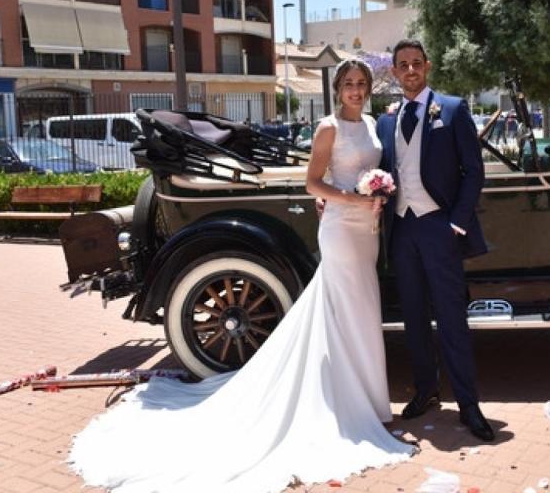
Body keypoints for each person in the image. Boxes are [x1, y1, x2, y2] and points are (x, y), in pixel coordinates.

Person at [67, 59, 414, 493]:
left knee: (364, 311)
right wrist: (350, 198)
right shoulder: (328, 128)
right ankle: (355, 405)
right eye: (349, 84)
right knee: (347, 310)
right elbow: (313, 183)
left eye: (362, 83)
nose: (356, 90)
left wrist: (376, 193)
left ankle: (371, 400)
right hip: (343, 228)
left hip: (368, 229)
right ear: (338, 88)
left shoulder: (370, 123)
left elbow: (374, 170)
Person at [375, 38, 494, 442]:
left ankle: (469, 404)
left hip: (439, 227)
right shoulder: (386, 121)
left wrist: (456, 224)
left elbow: (473, 171)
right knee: (413, 317)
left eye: (416, 64)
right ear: (394, 72)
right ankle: (425, 391)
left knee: (451, 317)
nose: (410, 70)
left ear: (427, 66)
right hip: (403, 230)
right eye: (402, 65)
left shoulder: (454, 109)